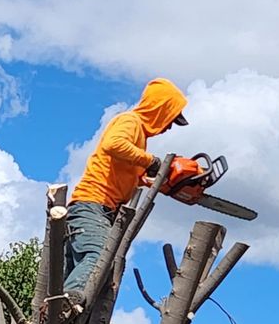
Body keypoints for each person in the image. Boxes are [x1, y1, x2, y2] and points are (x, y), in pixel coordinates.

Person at [63, 77, 189, 305]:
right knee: (99, 258)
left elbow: (128, 175)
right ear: (159, 110)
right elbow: (114, 144)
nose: (169, 127)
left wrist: (155, 182)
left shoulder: (141, 139)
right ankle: (67, 305)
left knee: (87, 272)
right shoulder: (130, 122)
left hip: (99, 210)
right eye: (170, 119)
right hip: (93, 205)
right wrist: (152, 161)